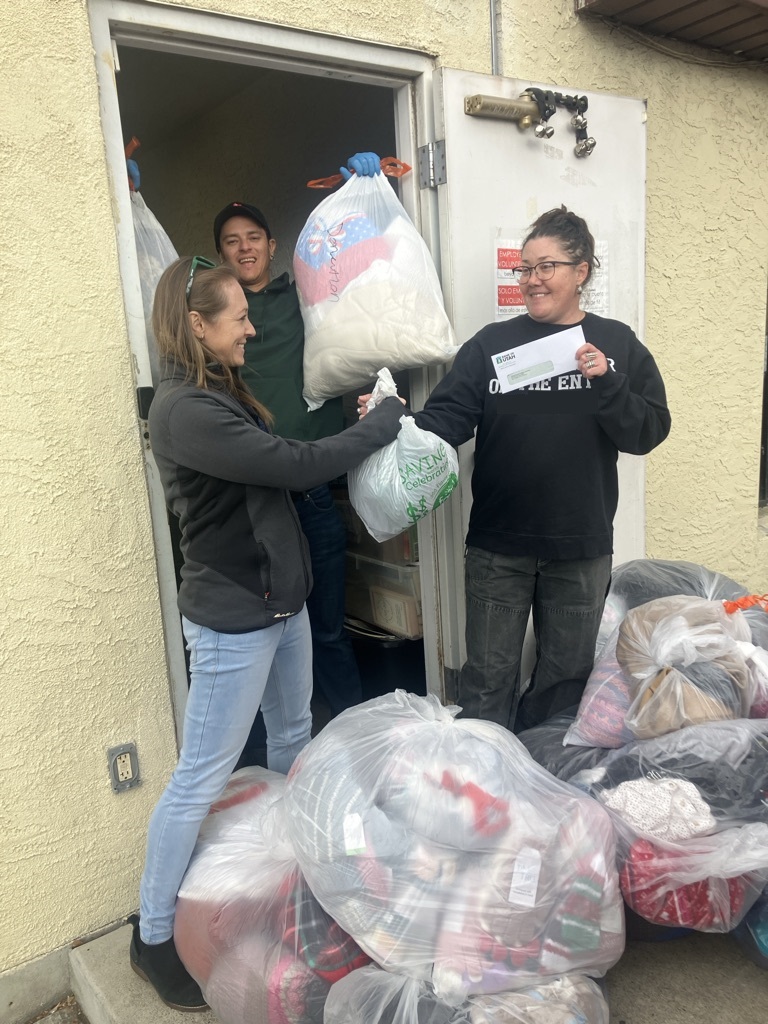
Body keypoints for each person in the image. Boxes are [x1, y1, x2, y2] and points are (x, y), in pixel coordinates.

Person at [129, 255, 406, 1011]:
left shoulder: (219, 392)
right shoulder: (185, 409)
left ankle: (292, 880)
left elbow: (281, 473)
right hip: (235, 622)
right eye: (239, 316)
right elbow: (294, 465)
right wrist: (382, 425)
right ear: (196, 325)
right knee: (198, 779)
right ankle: (153, 938)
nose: (253, 325)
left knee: (292, 741)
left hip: (280, 608)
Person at [411, 206, 671, 733]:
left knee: (565, 680)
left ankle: (543, 776)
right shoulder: (491, 345)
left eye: (545, 267)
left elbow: (647, 432)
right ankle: (486, 786)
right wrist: (393, 423)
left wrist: (607, 383)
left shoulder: (616, 343)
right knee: (487, 677)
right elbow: (446, 421)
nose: (531, 280)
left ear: (582, 271)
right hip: (498, 547)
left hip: (579, 547)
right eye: (524, 269)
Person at [211, 152, 382, 720]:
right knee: (270, 638)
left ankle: (354, 733)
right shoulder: (209, 316)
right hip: (253, 502)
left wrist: (368, 187)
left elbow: (358, 264)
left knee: (329, 629)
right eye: (232, 240)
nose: (244, 247)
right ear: (220, 255)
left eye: (253, 236)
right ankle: (289, 739)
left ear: (272, 245)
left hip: (310, 492)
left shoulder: (306, 298)